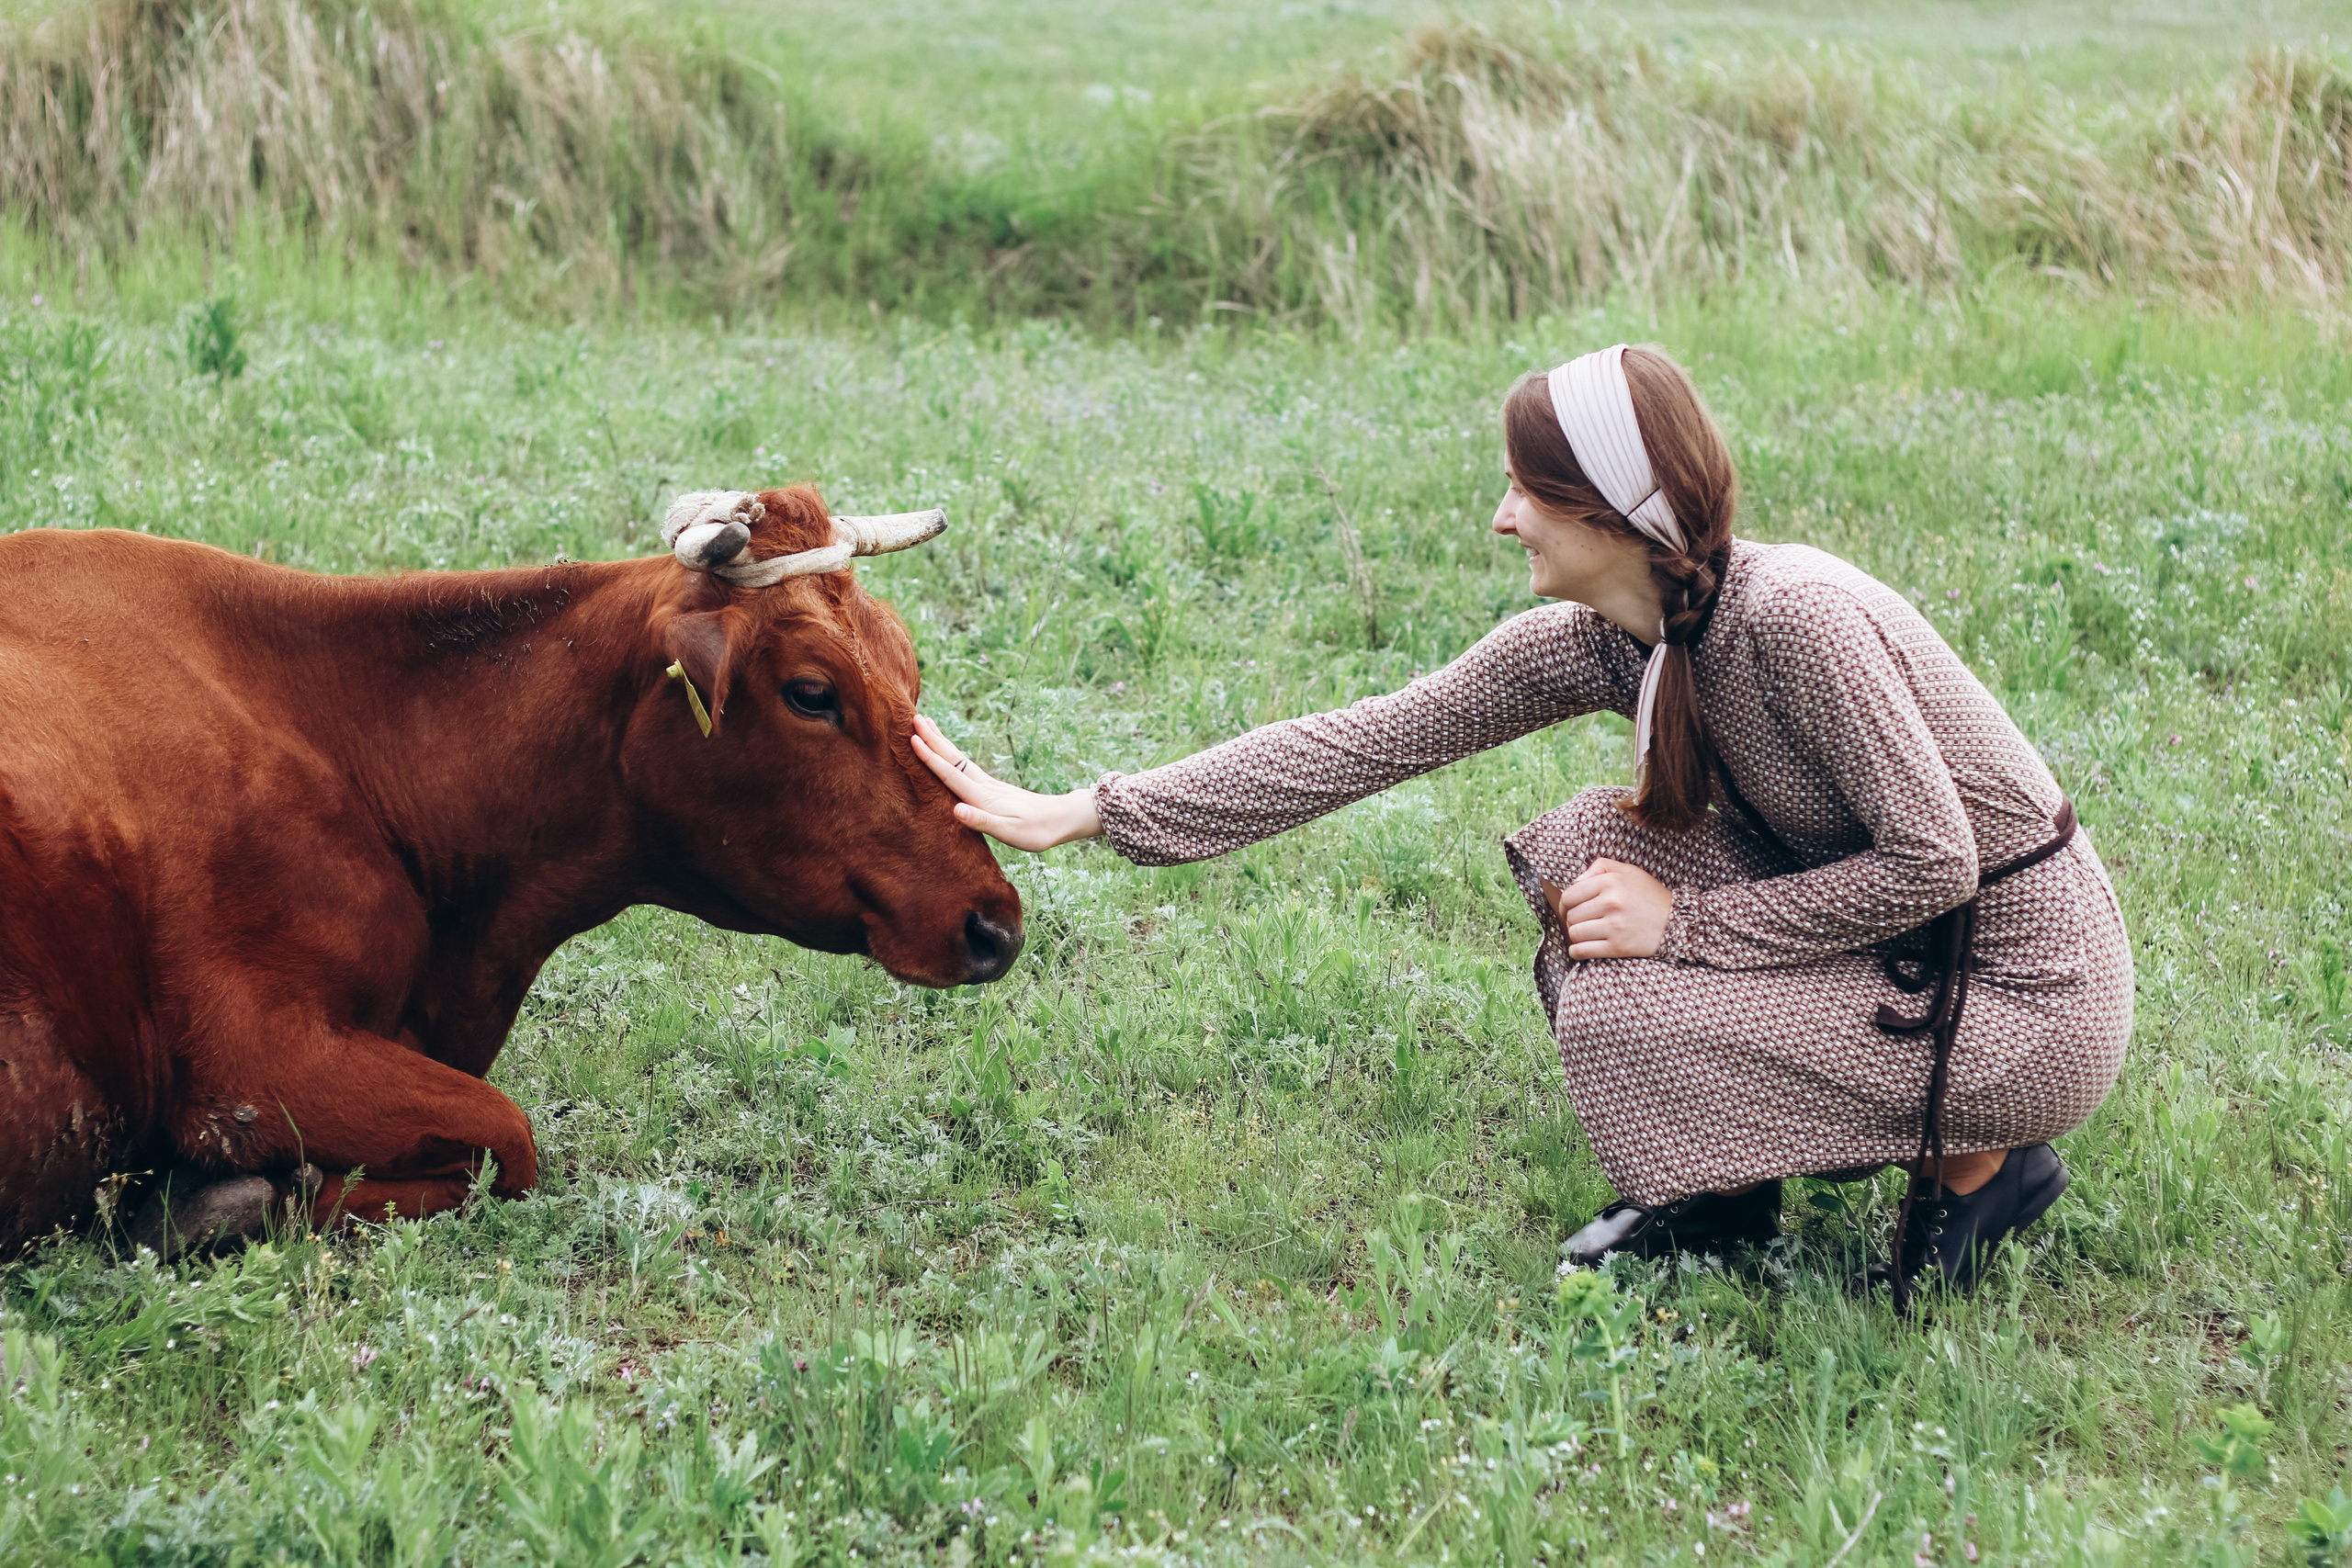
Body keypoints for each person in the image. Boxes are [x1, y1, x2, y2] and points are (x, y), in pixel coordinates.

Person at [910, 344, 2131, 1296]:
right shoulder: (1622, 634)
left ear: (1611, 514)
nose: (1503, 517)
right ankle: (1724, 1189)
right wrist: (1088, 812)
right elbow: (1371, 736)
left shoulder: (1791, 619)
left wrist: (1690, 924)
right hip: (1916, 950)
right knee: (1591, 865)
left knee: (1632, 979)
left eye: (1526, 491)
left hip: (2027, 997)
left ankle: (1984, 1165)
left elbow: (1936, 859)